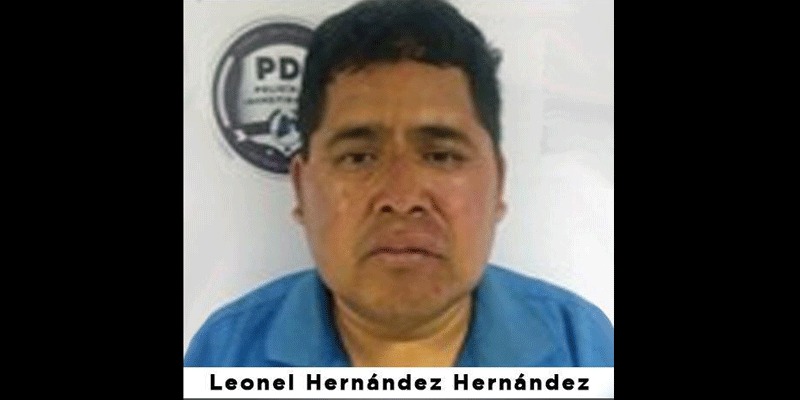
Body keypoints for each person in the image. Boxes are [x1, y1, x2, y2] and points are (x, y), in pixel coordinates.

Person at [184, 0, 613, 367]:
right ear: (300, 188)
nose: (402, 198)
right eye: (358, 158)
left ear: (498, 185)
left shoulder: (584, 348)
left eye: (441, 156)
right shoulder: (224, 354)